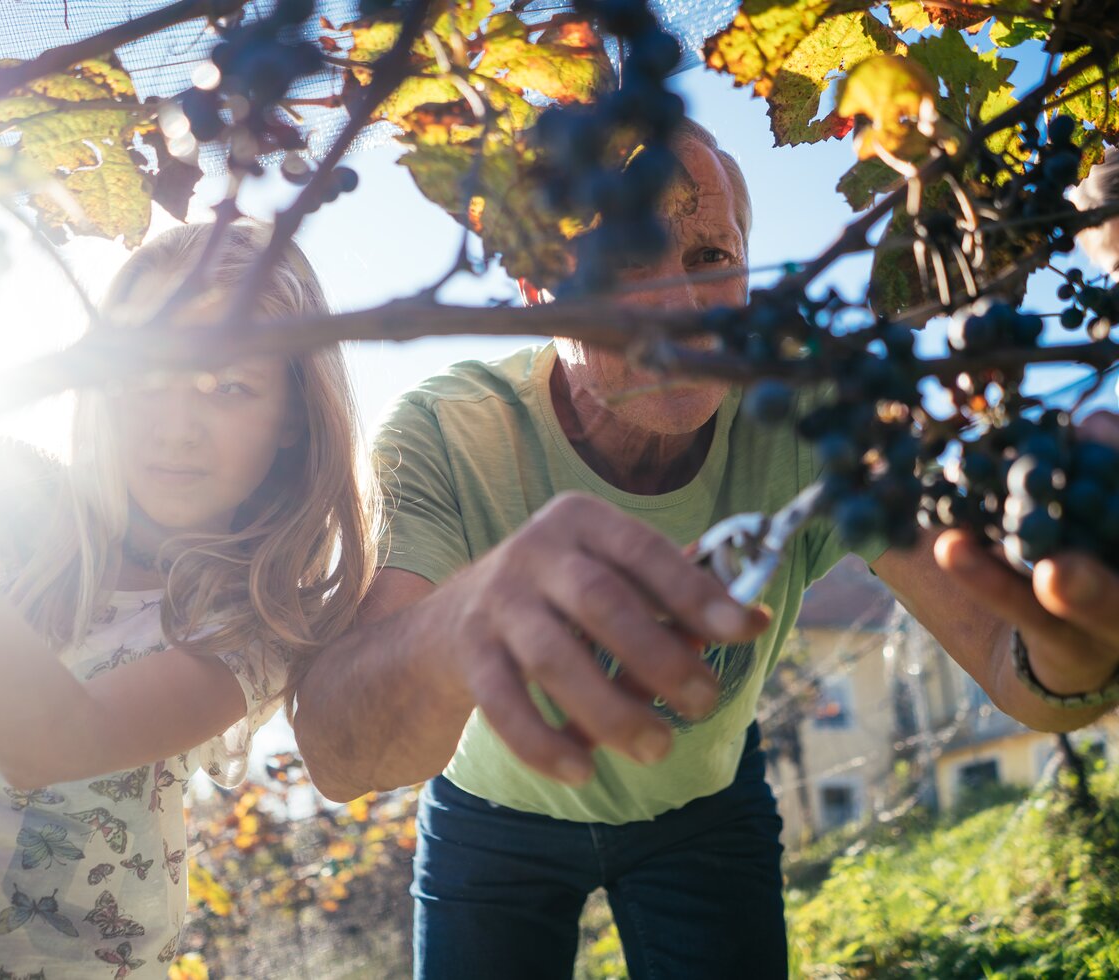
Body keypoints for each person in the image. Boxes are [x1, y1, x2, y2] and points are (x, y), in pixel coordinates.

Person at [292, 121, 1119, 979]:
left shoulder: (815, 409)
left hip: (703, 811)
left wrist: (1070, 663)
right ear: (541, 292)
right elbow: (341, 758)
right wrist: (465, 616)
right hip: (494, 816)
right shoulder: (446, 432)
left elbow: (1007, 654)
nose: (681, 312)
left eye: (709, 257)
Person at [0, 222, 374, 977]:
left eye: (230, 387)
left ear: (293, 417)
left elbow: (52, 743)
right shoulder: (3, 535)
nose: (175, 428)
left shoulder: (248, 628)